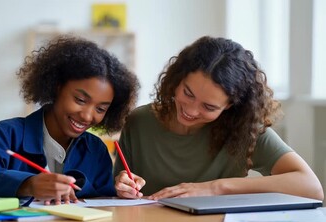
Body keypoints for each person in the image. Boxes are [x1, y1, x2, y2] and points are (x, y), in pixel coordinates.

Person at [114, 36, 324, 201]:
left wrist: (216, 187)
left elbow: (311, 187)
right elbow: (118, 192)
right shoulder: (139, 122)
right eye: (188, 93)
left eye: (209, 106)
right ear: (177, 80)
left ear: (230, 106)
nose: (191, 110)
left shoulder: (245, 130)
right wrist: (122, 187)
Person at [0, 36, 140, 205]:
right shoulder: (6, 134)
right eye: (80, 100)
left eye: (100, 109)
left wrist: (121, 189)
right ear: (57, 88)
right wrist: (27, 184)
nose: (87, 116)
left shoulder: (96, 150)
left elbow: (103, 201)